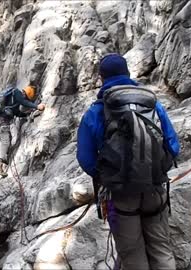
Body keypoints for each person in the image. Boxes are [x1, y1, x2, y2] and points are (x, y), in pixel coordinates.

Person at [76, 53, 180, 270]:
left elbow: (85, 158)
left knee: (132, 256)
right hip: (155, 187)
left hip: (120, 194)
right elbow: (173, 146)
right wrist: (156, 169)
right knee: (161, 249)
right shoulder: (152, 105)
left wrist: (108, 175)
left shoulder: (95, 112)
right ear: (128, 73)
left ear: (101, 79)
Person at [0, 85, 45, 176]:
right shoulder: (16, 92)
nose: (26, 100)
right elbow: (23, 102)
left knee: (5, 141)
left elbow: (18, 113)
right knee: (5, 141)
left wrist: (28, 114)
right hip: (2, 120)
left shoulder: (13, 102)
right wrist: (36, 106)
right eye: (27, 98)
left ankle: (1, 163)